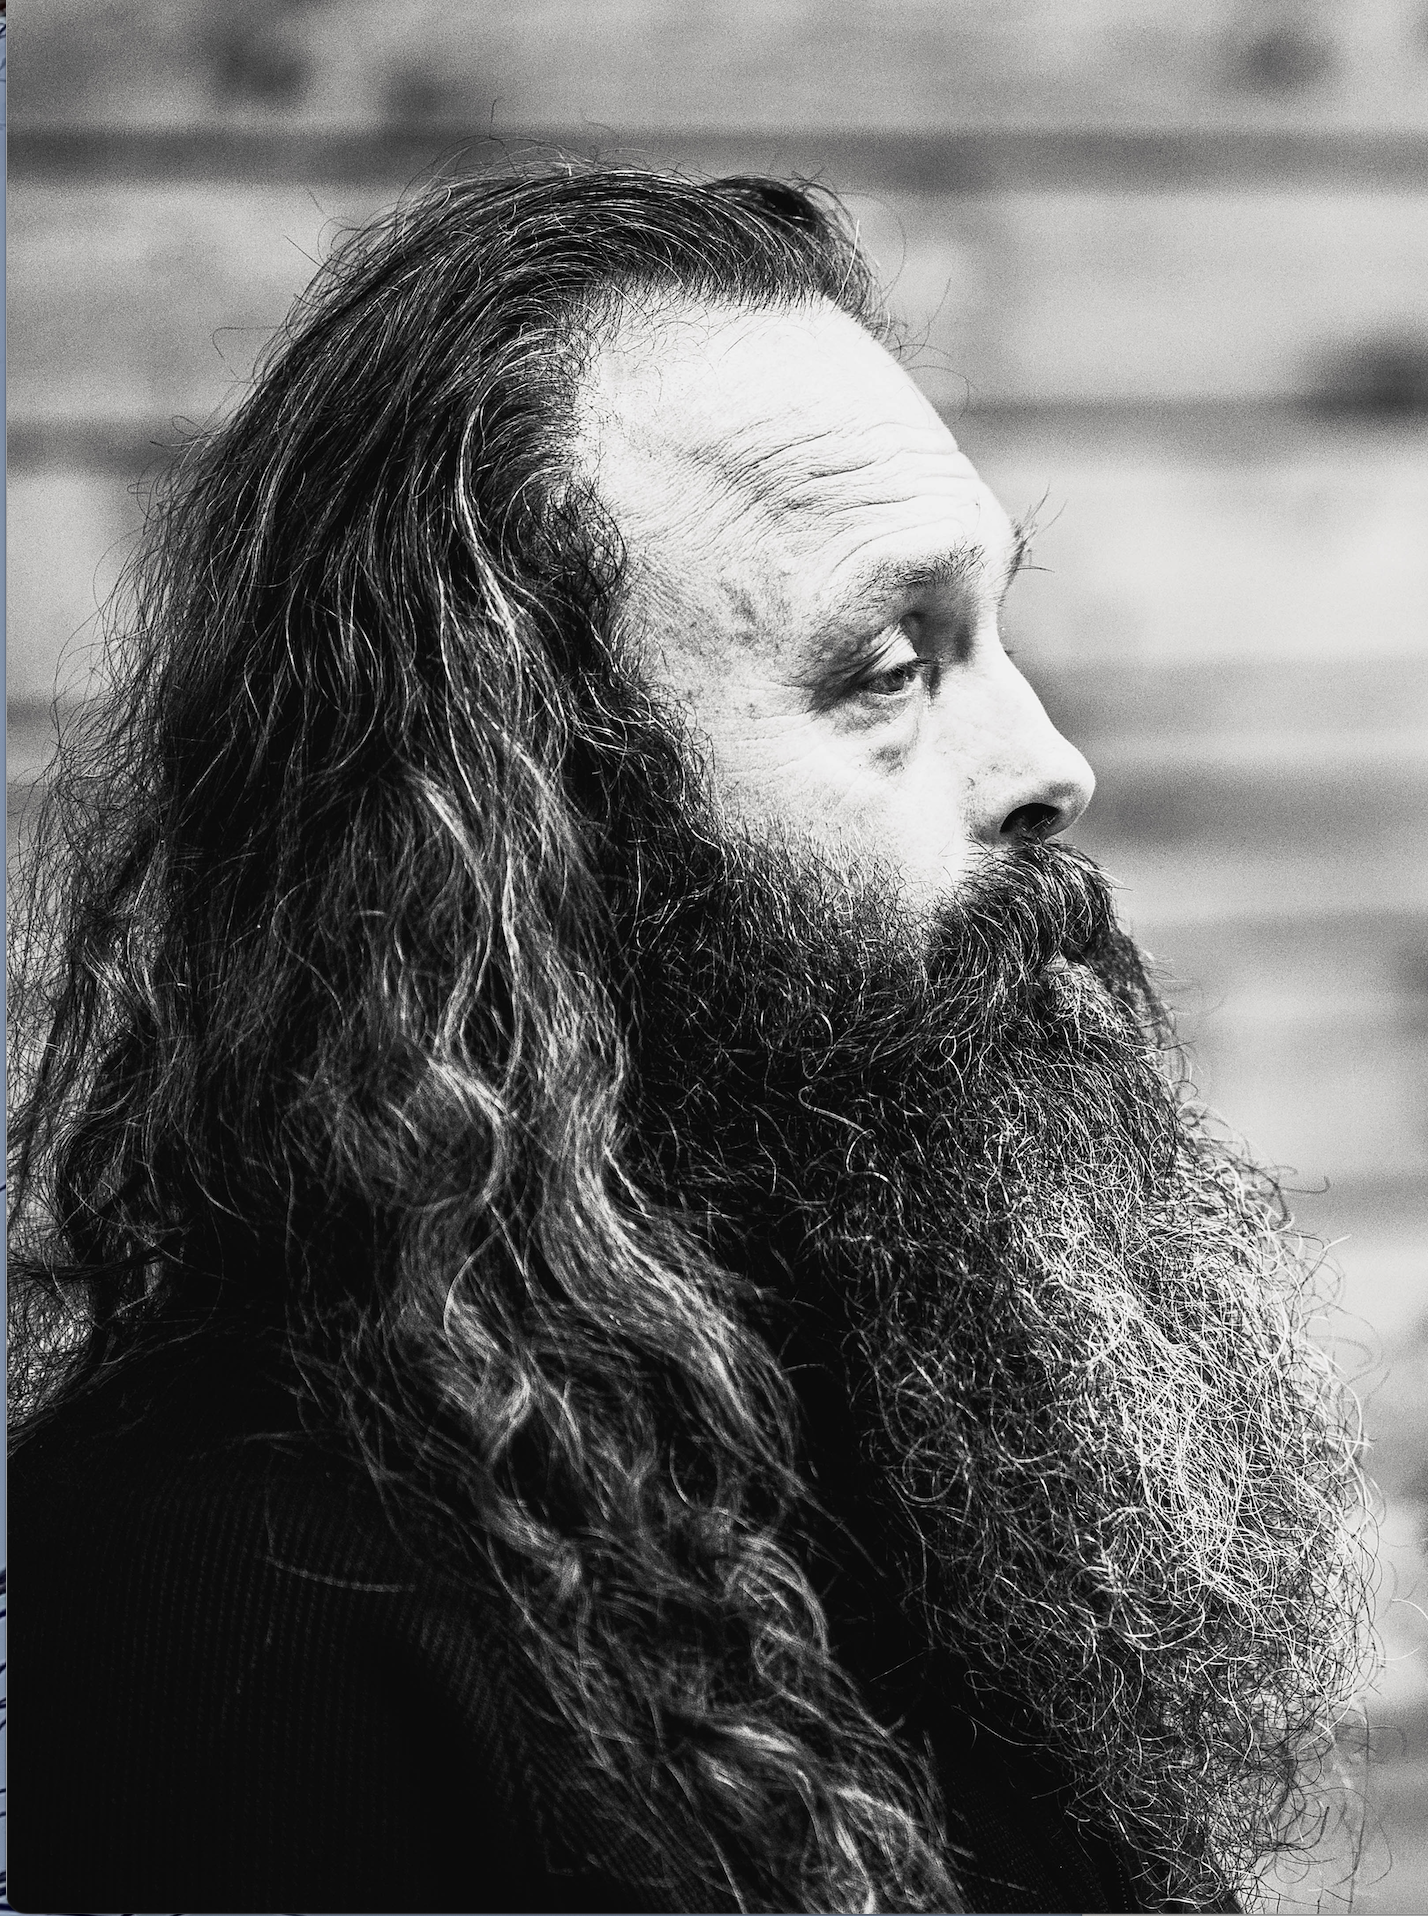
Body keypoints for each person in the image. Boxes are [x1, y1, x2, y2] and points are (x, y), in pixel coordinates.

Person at [7, 164, 1371, 1916]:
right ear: (536, 809)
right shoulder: (236, 1603)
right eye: (888, 666)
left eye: (995, 633)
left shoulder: (900, 1429)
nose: (1051, 764)